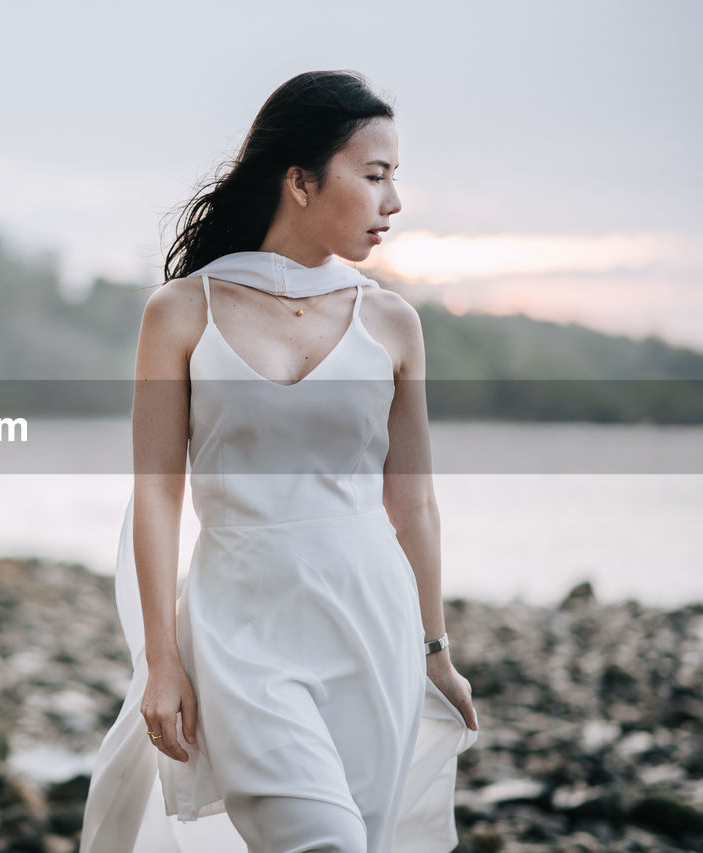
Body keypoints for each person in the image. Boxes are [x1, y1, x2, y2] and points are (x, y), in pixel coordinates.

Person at [79, 70, 480, 853]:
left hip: (374, 626)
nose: (393, 202)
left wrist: (436, 652)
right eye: (374, 176)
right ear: (299, 180)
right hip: (243, 628)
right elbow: (157, 499)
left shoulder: (392, 322)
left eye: (395, 177)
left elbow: (415, 507)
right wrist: (163, 661)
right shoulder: (182, 311)